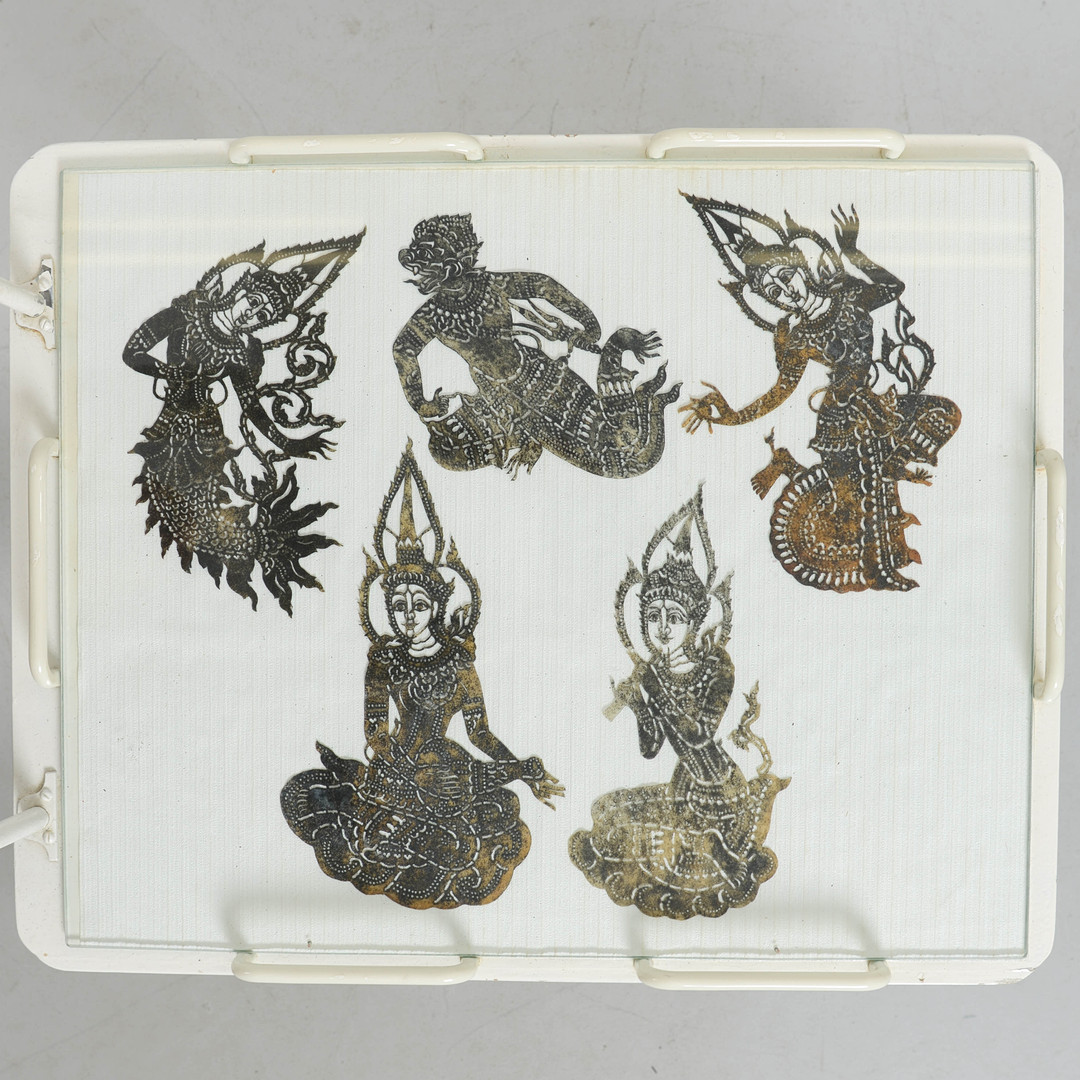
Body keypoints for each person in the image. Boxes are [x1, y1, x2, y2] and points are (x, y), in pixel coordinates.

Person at [282, 444, 563, 909]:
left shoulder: (459, 663)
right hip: (398, 769)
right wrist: (405, 767)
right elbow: (375, 731)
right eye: (398, 606)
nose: (408, 616)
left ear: (437, 606)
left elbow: (480, 732)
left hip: (447, 768)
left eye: (418, 605)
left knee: (474, 812)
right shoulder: (384, 661)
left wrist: (515, 766)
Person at [680, 199, 961, 592]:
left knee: (942, 415)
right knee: (853, 513)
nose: (785, 291)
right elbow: (779, 391)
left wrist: (851, 252)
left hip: (874, 407)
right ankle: (882, 571)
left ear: (800, 266)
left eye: (785, 277)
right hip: (837, 423)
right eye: (773, 290)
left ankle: (805, 466)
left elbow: (892, 288)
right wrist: (730, 416)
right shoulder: (796, 338)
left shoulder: (849, 295)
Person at [570, 491, 787, 920]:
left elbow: (696, 736)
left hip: (716, 786)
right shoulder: (655, 671)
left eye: (675, 617)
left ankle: (717, 851)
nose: (663, 628)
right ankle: (696, 846)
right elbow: (652, 747)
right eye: (654, 616)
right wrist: (636, 704)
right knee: (606, 811)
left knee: (659, 831)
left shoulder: (716, 667)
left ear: (694, 621)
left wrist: (654, 687)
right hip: (683, 785)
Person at [124, 235, 362, 612]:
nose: (252, 315)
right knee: (165, 491)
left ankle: (248, 545)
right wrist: (168, 372)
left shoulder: (241, 350)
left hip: (207, 431)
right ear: (240, 290)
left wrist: (291, 443)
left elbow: (251, 407)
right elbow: (133, 351)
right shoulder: (186, 313)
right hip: (171, 425)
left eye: (263, 316)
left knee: (200, 503)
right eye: (253, 303)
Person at [392, 213, 679, 478]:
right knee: (610, 458)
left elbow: (543, 286)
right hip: (501, 395)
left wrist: (590, 327)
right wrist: (421, 404)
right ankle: (530, 435)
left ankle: (636, 380)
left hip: (541, 376)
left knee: (622, 455)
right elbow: (403, 350)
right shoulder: (439, 311)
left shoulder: (486, 288)